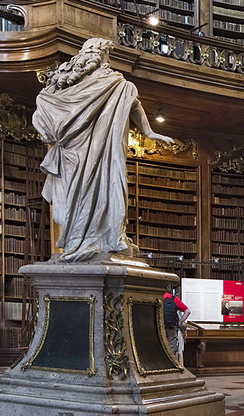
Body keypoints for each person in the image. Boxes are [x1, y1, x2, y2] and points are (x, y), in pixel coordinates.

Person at [33, 37, 175, 262]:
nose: (108, 61)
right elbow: (46, 110)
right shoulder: (109, 83)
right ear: (100, 56)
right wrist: (148, 132)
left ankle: (94, 239)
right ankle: (80, 240)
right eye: (108, 56)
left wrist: (149, 132)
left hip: (94, 156)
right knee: (83, 199)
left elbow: (133, 104)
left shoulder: (114, 85)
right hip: (83, 156)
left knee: (90, 196)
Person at [163, 285, 190, 359]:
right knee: (171, 347)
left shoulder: (159, 298)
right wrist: (179, 322)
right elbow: (187, 311)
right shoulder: (174, 299)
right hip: (172, 327)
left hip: (160, 326)